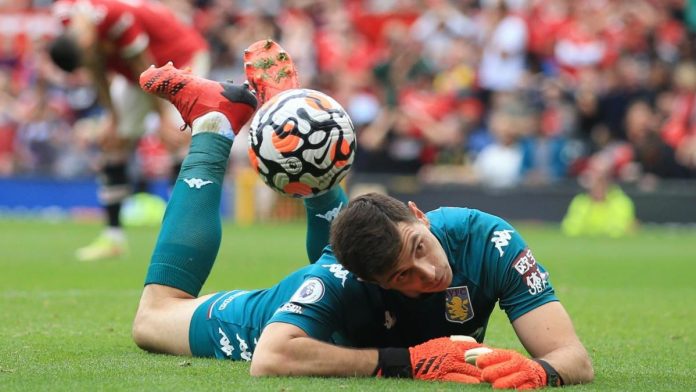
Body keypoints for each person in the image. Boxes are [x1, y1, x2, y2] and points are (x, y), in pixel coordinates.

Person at [133, 54, 593, 389]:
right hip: (265, 319)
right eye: (403, 277)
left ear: (418, 216)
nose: (429, 274)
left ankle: (288, 118)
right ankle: (212, 126)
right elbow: (271, 356)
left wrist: (542, 371)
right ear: (373, 279)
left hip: (354, 294)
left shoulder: (487, 240)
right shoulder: (339, 275)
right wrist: (406, 362)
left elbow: (574, 359)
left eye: (419, 249)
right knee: (153, 319)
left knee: (358, 252)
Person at [49, 0, 210, 261]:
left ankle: (183, 237)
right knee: (112, 142)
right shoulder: (71, 23)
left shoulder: (115, 19)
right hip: (136, 74)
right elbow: (96, 67)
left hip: (179, 58)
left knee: (175, 137)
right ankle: (113, 238)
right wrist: (111, 116)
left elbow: (142, 64)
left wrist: (161, 119)